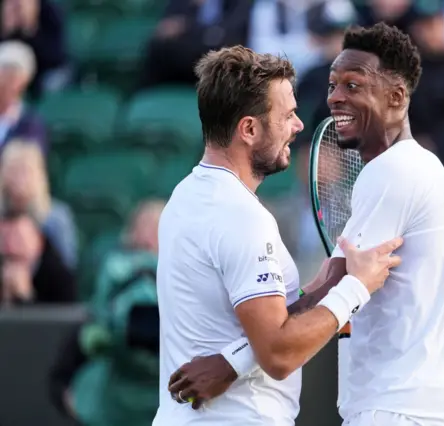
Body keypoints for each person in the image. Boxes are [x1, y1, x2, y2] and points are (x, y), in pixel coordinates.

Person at [170, 23, 444, 426]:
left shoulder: (396, 170)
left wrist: (230, 364)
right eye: (333, 85)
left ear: (397, 96)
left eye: (353, 86)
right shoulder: (410, 169)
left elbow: (339, 285)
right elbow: (334, 288)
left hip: (402, 410)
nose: (334, 98)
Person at [152, 45, 403, 426]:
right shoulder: (242, 217)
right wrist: (358, 288)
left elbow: (260, 325)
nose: (298, 126)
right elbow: (278, 353)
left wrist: (323, 287)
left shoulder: (184, 198)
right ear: (249, 129)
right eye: (287, 115)